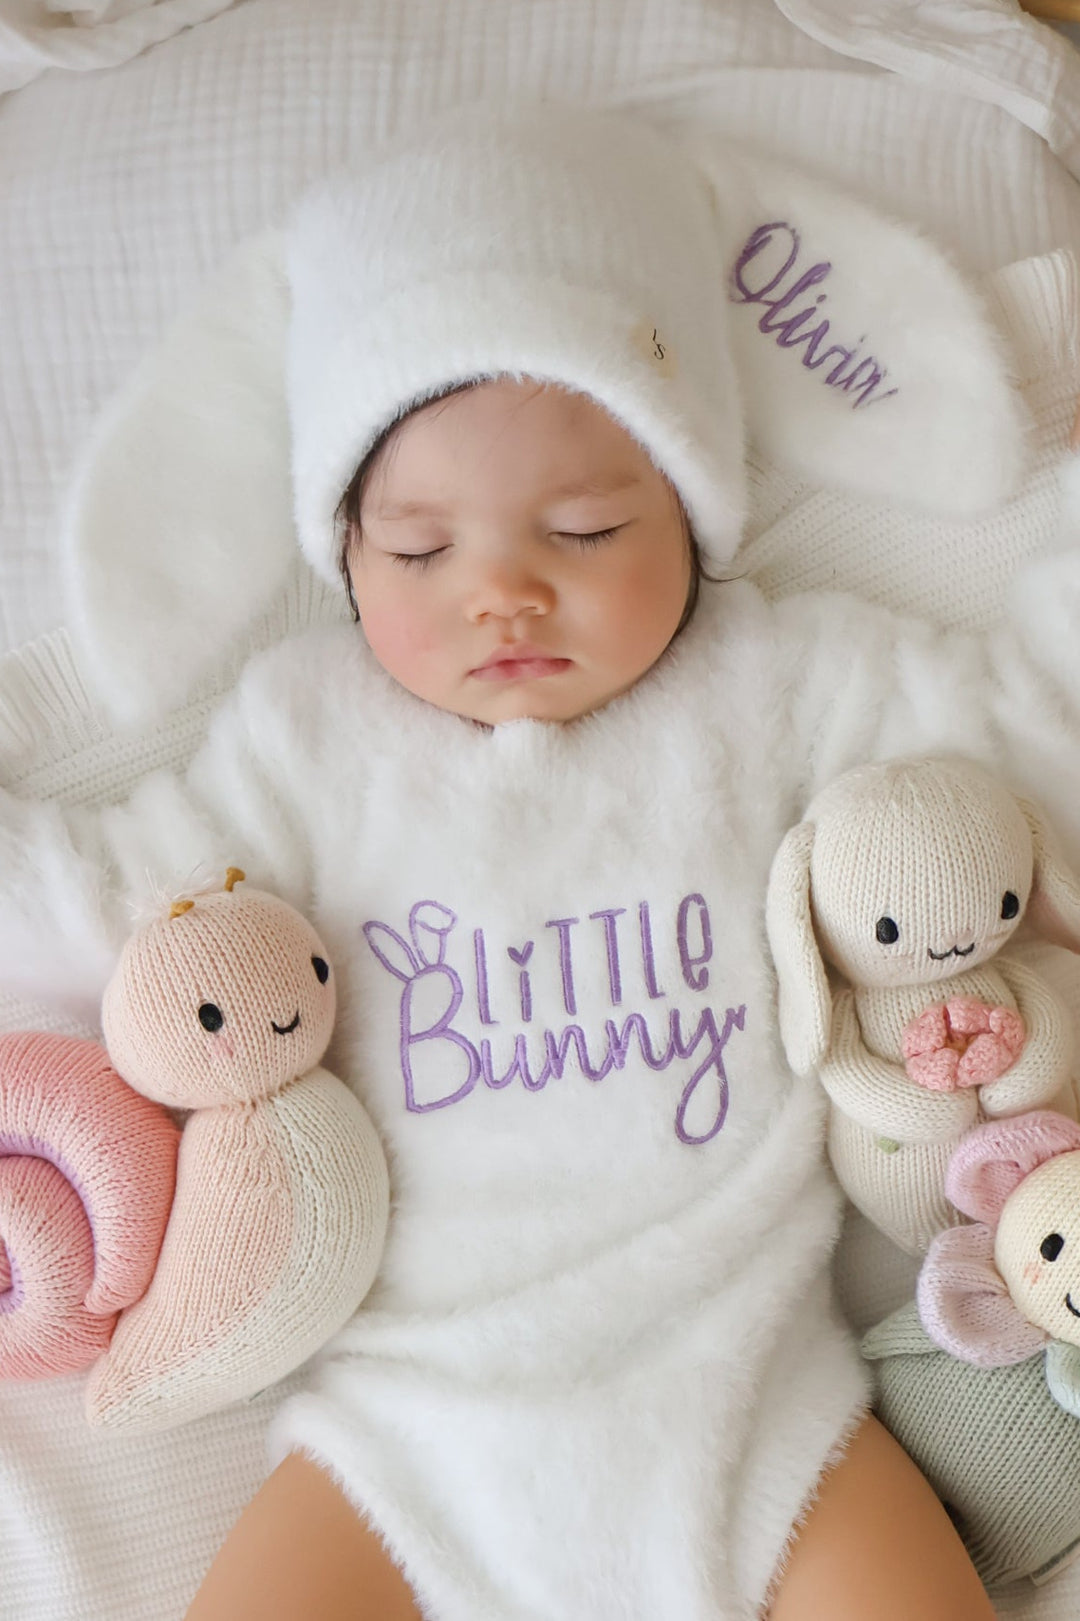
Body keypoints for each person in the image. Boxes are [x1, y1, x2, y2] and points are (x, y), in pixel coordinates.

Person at [2, 104, 1076, 1621]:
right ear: (344, 550)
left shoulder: (781, 679)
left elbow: (1028, 733)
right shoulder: (306, 739)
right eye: (421, 550)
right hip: (408, 1437)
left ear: (693, 502)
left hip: (753, 1405)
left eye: (582, 526)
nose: (501, 593)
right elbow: (109, 899)